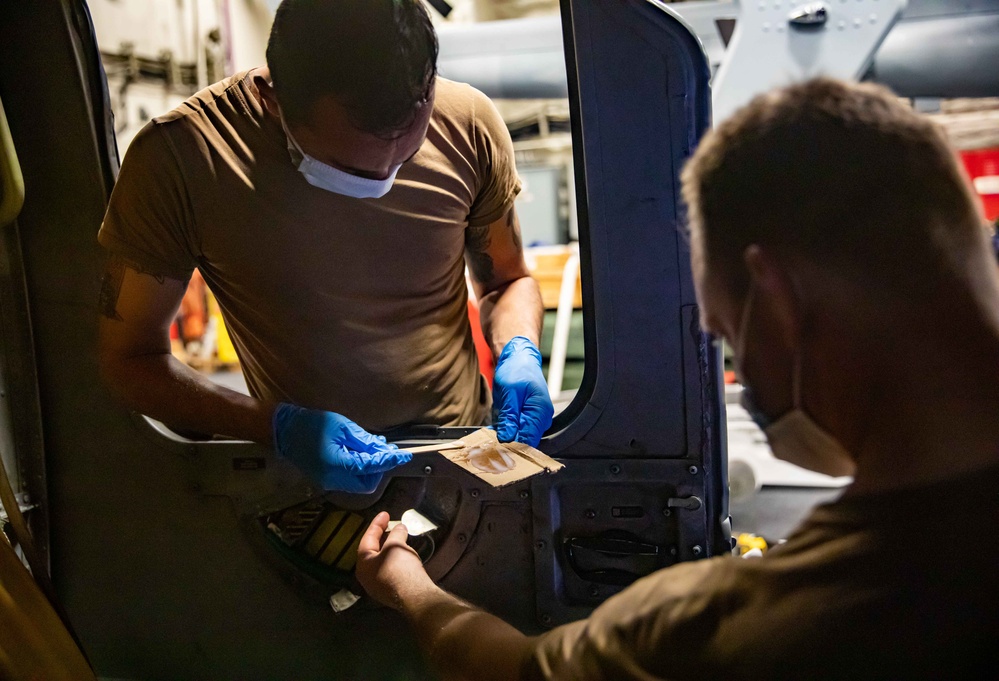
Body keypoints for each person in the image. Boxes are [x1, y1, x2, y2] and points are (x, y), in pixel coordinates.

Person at [355, 78, 999, 679]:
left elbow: (514, 670)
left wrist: (407, 587)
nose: (740, 369)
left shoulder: (736, 627)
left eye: (726, 335)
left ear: (778, 299)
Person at [96, 0, 553, 493]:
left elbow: (508, 281)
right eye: (350, 171)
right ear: (271, 98)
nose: (383, 179)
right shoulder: (182, 161)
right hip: (302, 476)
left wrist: (520, 349)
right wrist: (274, 427)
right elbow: (128, 360)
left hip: (462, 453)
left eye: (408, 154)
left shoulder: (468, 124)